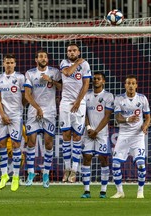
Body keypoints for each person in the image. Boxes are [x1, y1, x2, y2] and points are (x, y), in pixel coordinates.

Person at [24, 50, 62, 188]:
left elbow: (62, 87)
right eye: (40, 56)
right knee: (31, 142)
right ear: (36, 59)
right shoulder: (29, 73)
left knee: (49, 143)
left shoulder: (55, 72)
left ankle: (46, 174)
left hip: (50, 112)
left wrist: (51, 80)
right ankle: (30, 173)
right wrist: (38, 108)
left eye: (45, 56)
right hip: (34, 111)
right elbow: (27, 95)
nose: (43, 58)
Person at [111, 74, 151, 199]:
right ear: (125, 85)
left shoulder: (142, 99)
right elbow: (117, 118)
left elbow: (148, 117)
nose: (131, 86)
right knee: (115, 164)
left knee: (140, 163)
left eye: (133, 83)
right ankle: (120, 192)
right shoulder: (119, 99)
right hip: (123, 135)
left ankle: (140, 191)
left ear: (136, 85)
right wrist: (128, 119)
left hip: (137, 136)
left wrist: (145, 126)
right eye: (128, 83)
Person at [0, 54, 26, 192]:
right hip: (2, 116)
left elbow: (24, 97)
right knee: (1, 144)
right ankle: (4, 175)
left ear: (15, 64)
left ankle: (16, 177)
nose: (9, 65)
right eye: (7, 62)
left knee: (15, 144)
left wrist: (18, 110)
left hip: (15, 116)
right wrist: (2, 114)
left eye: (11, 62)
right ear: (3, 64)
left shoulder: (20, 78)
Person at [59, 43, 91, 183]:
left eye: (74, 50)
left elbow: (86, 84)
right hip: (65, 103)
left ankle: (74, 170)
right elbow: (67, 73)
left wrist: (78, 101)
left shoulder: (85, 65)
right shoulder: (64, 63)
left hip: (80, 103)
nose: (71, 52)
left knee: (77, 136)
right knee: (66, 135)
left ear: (79, 51)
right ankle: (66, 169)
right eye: (69, 51)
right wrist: (78, 62)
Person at [80, 71, 114, 198]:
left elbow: (107, 116)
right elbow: (84, 114)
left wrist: (96, 131)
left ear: (103, 81)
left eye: (98, 79)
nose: (96, 81)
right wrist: (89, 128)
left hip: (102, 134)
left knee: (103, 159)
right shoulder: (86, 95)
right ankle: (87, 191)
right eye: (94, 79)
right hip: (88, 132)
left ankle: (103, 191)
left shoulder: (108, 96)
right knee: (87, 158)